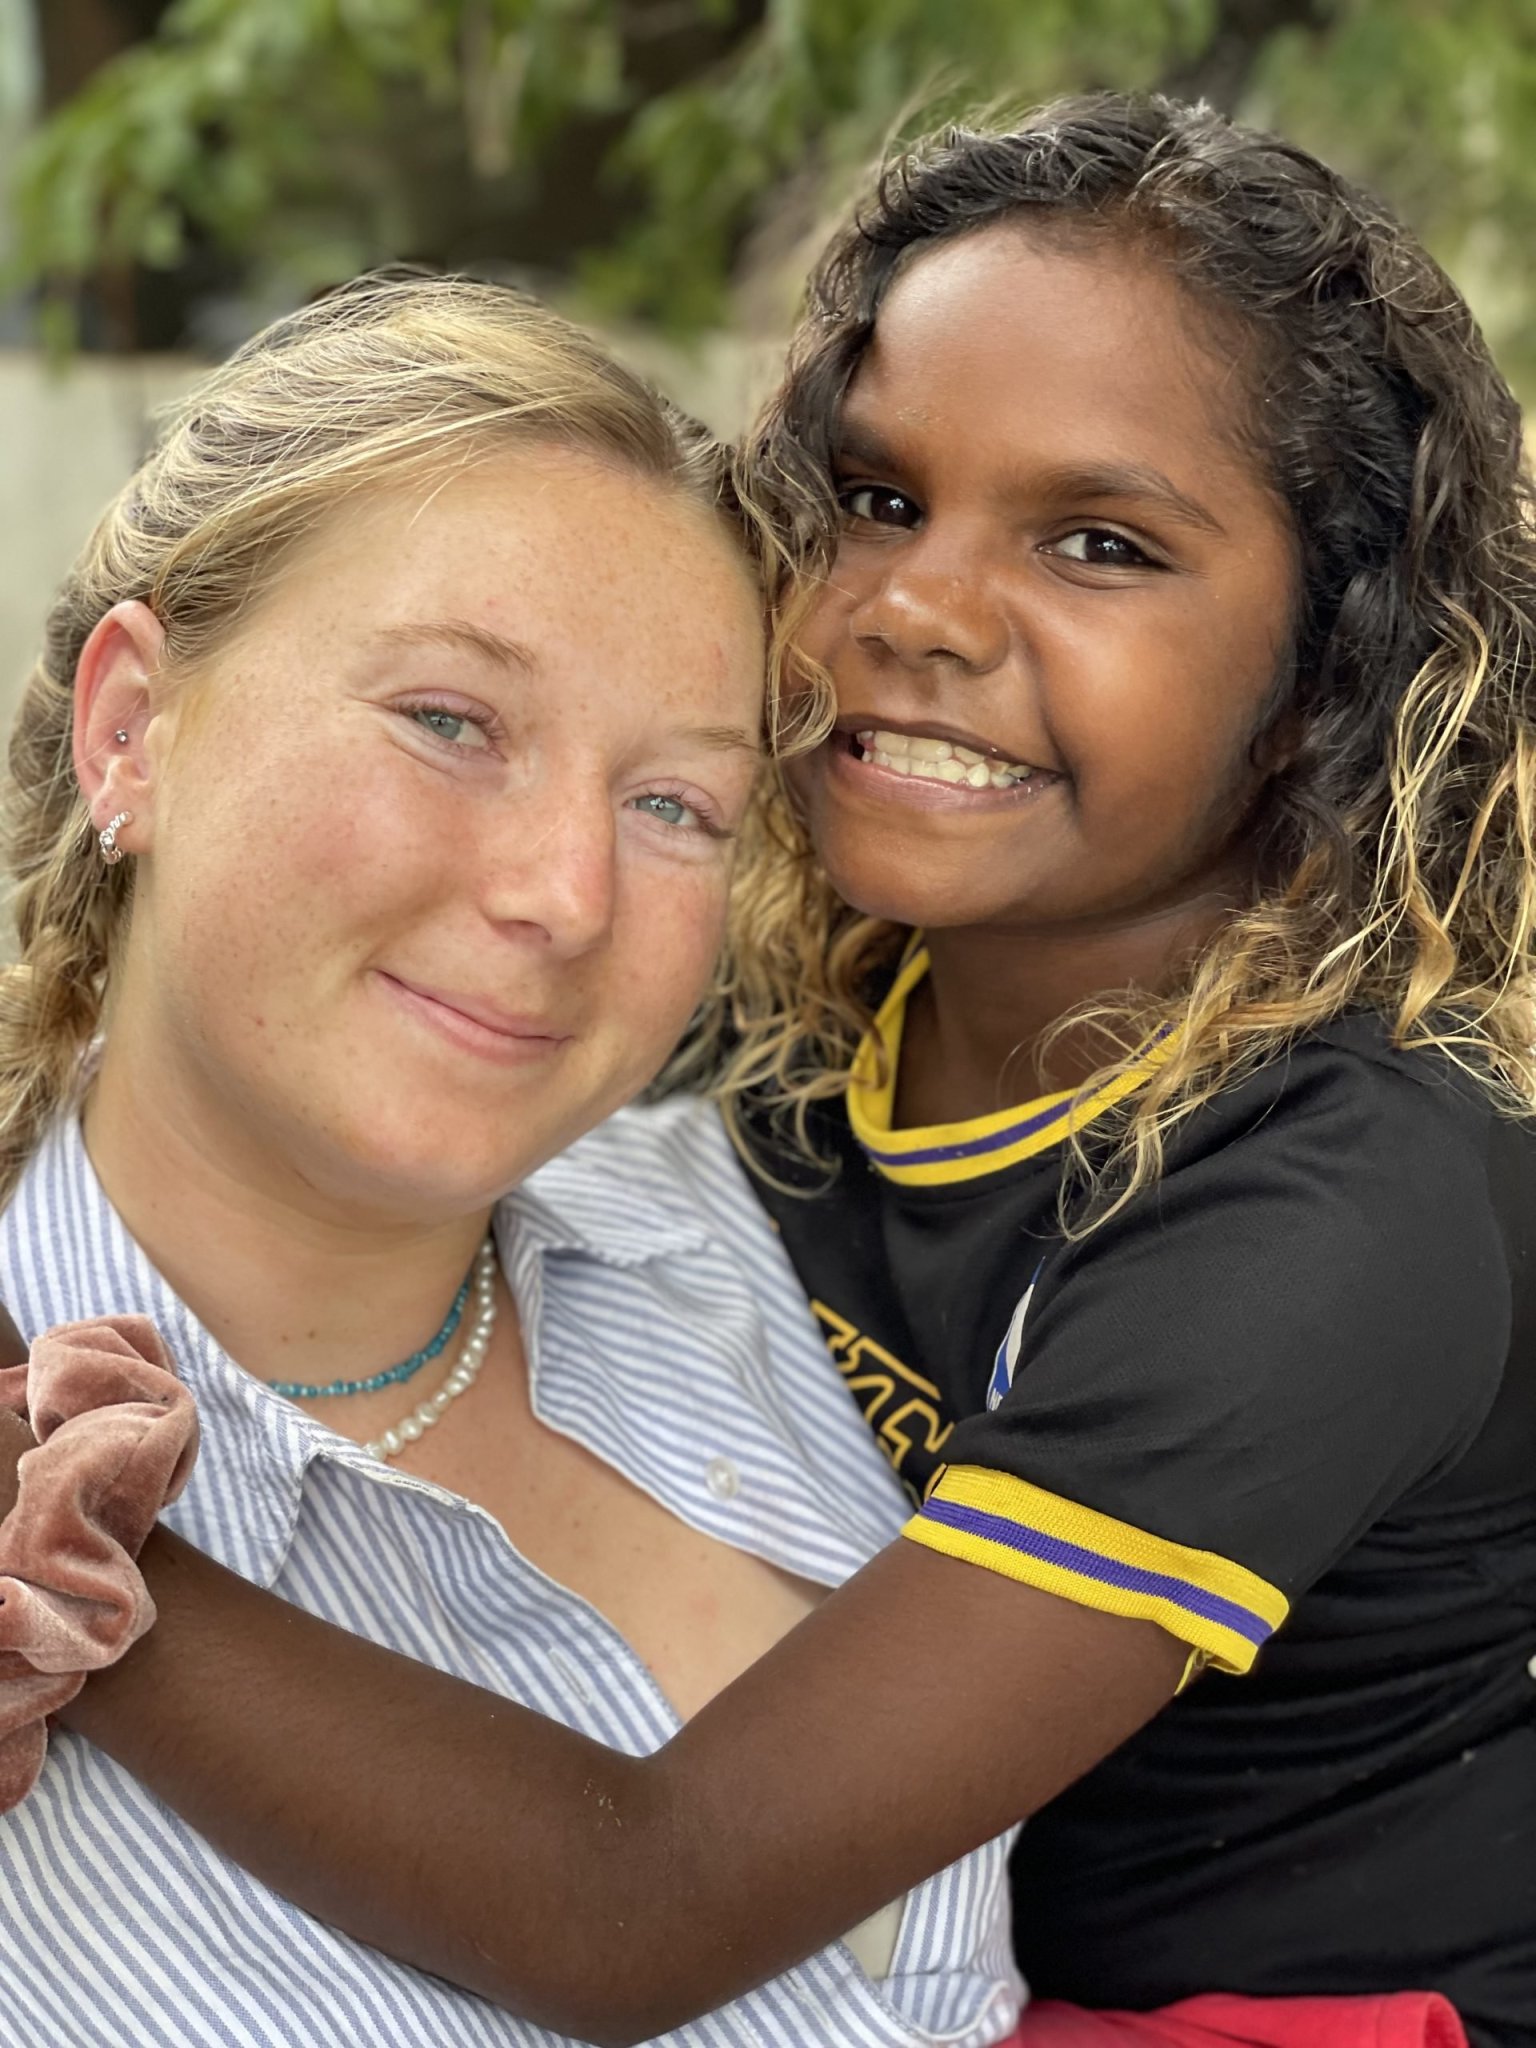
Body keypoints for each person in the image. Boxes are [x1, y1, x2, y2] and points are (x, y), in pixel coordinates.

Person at [4, 90, 1532, 2048]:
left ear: (1326, 668)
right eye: (880, 499)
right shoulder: (793, 1010)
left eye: (1099, 541)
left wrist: (70, 1562)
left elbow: (645, 1900)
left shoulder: (1341, 1205)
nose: (917, 610)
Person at [0, 272, 1031, 2048]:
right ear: (130, 730)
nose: (565, 895)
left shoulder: (772, 1240)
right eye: (450, 721)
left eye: (674, 806)